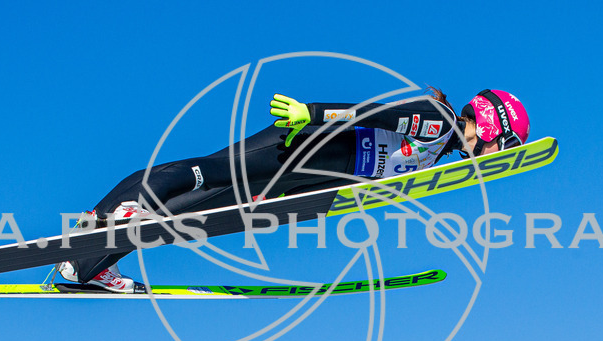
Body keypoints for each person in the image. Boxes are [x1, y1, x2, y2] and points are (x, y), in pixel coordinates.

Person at [58, 87, 530, 292]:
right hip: (308, 144)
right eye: (502, 146)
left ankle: (89, 265)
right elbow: (369, 114)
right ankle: (109, 218)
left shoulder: (440, 150)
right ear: (493, 126)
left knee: (204, 209)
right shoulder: (436, 121)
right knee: (211, 172)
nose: (494, 157)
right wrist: (313, 114)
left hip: (314, 177)